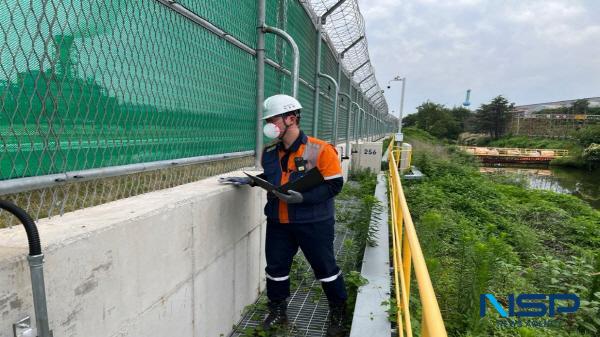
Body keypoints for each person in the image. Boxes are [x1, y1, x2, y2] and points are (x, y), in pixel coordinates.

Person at [220, 94, 348, 337]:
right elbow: (277, 178)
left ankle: (338, 309)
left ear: (291, 118)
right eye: (268, 120)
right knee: (275, 268)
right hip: (279, 221)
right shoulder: (269, 153)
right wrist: (254, 180)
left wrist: (303, 199)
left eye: (274, 119)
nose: (270, 125)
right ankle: (278, 309)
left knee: (326, 268)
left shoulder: (320, 149)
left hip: (314, 222)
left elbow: (334, 185)